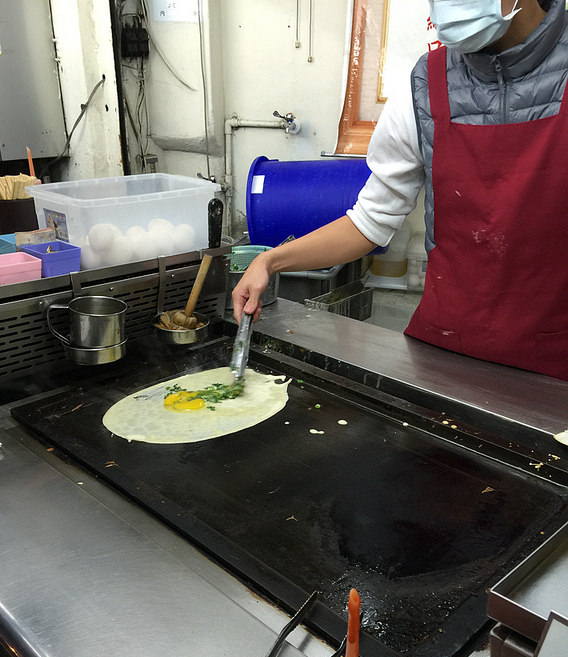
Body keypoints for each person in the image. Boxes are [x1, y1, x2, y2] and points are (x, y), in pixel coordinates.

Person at [231, 0, 568, 382]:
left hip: (554, 364)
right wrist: (269, 261)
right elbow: (370, 221)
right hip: (444, 349)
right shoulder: (426, 84)